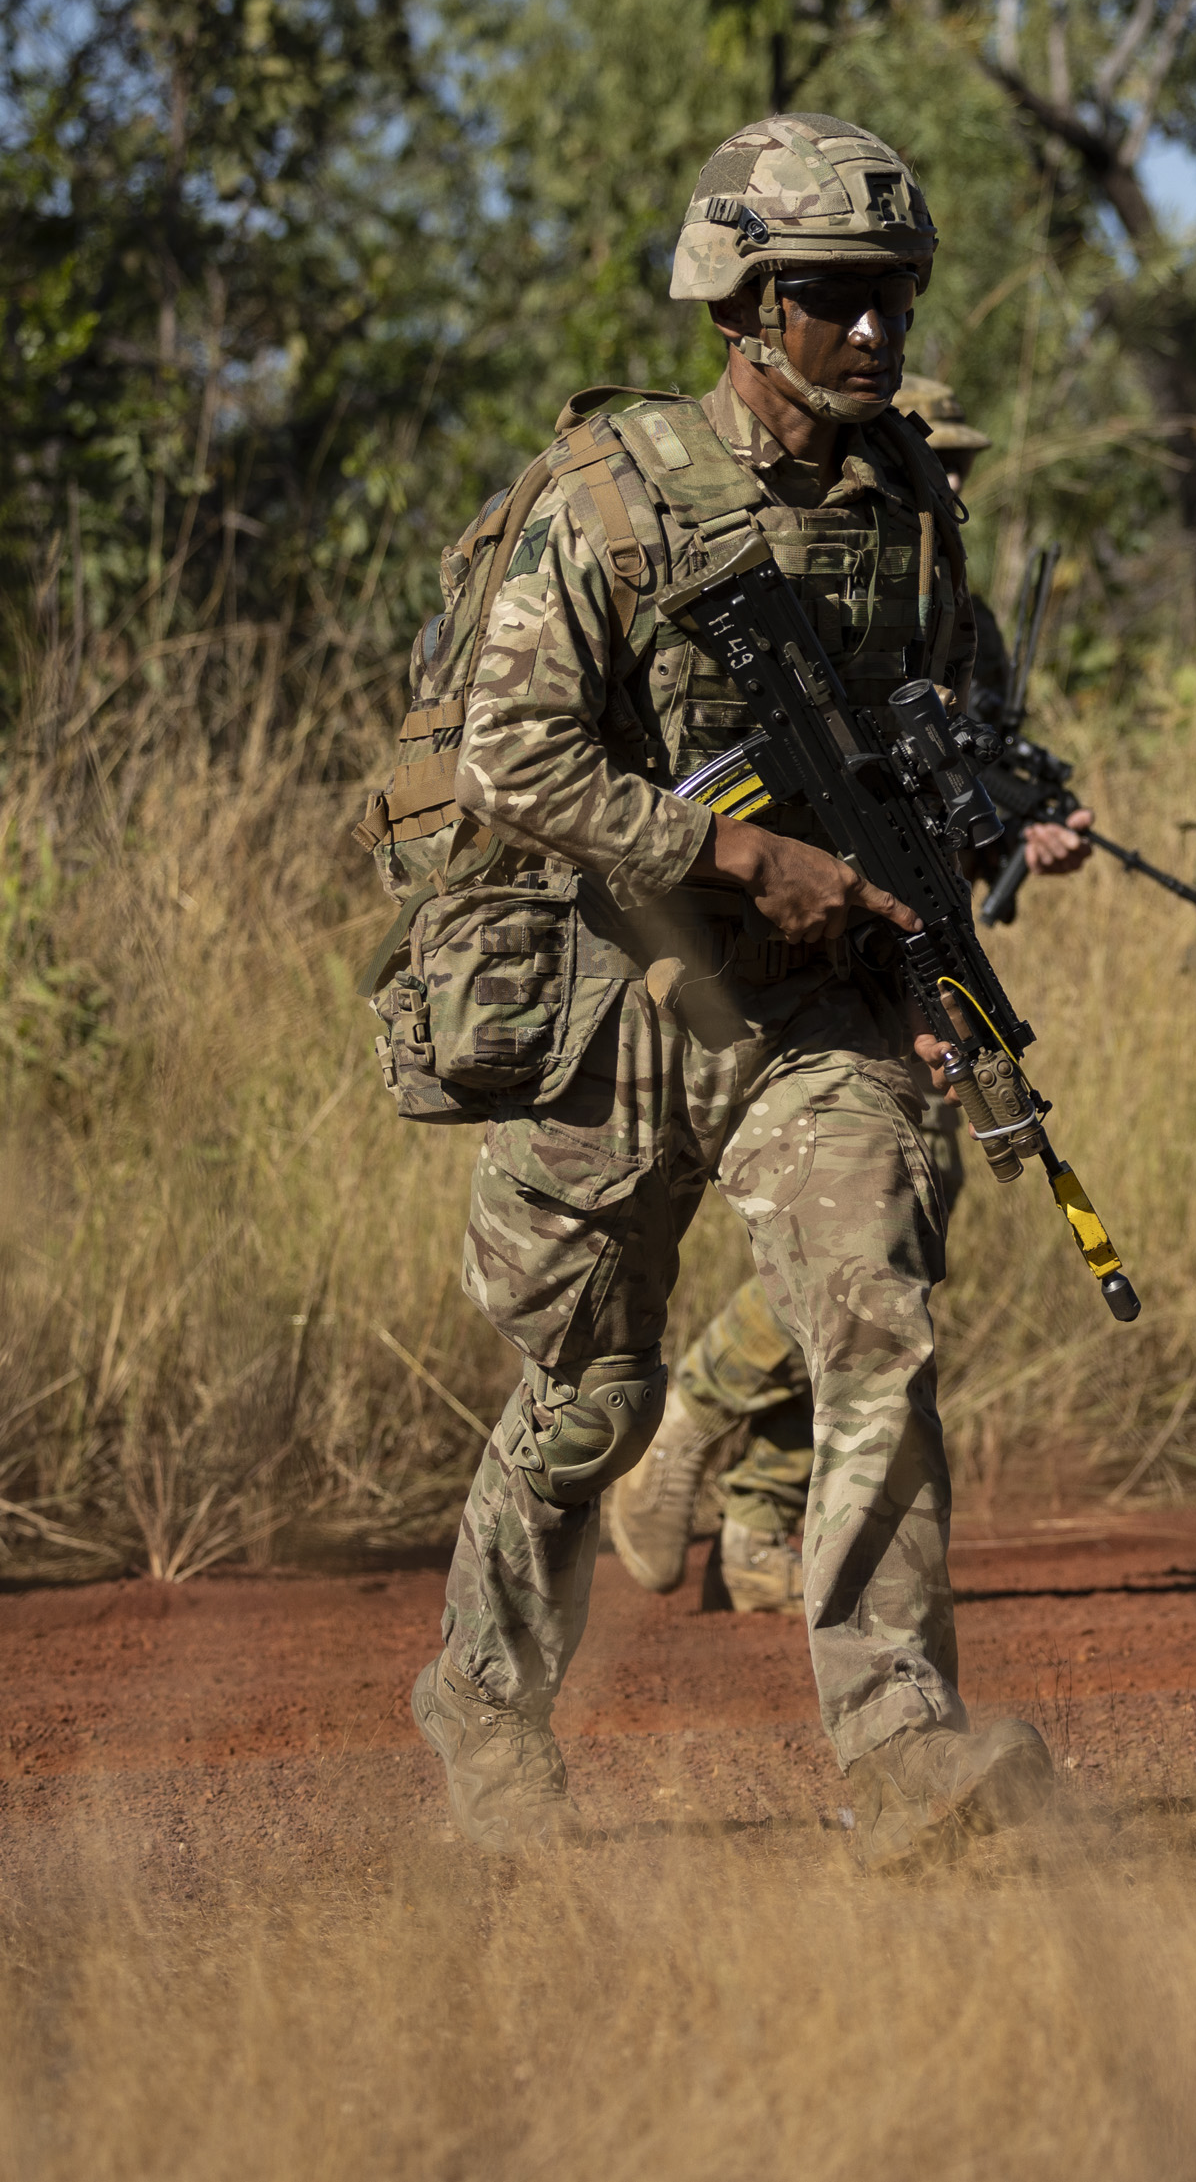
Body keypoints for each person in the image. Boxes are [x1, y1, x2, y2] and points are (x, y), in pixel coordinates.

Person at [407, 116, 1058, 1860]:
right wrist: (728, 854)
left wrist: (930, 943)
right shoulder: (612, 501)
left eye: (893, 300)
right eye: (833, 299)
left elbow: (928, 760)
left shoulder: (915, 514)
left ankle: (905, 1743)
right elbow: (507, 760)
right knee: (588, 1405)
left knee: (877, 1326)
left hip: (810, 1023)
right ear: (745, 303)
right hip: (609, 1015)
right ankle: (482, 1711)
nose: (873, 335)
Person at [604, 374, 1088, 1615]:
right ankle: (696, 1421)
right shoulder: (804, 572)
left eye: (963, 462)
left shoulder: (941, 590)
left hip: (909, 951)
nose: (953, 482)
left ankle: (763, 1523)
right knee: (865, 1254)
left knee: (892, 1250)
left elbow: (944, 781)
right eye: (936, 455)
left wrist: (1020, 823)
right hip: (790, 953)